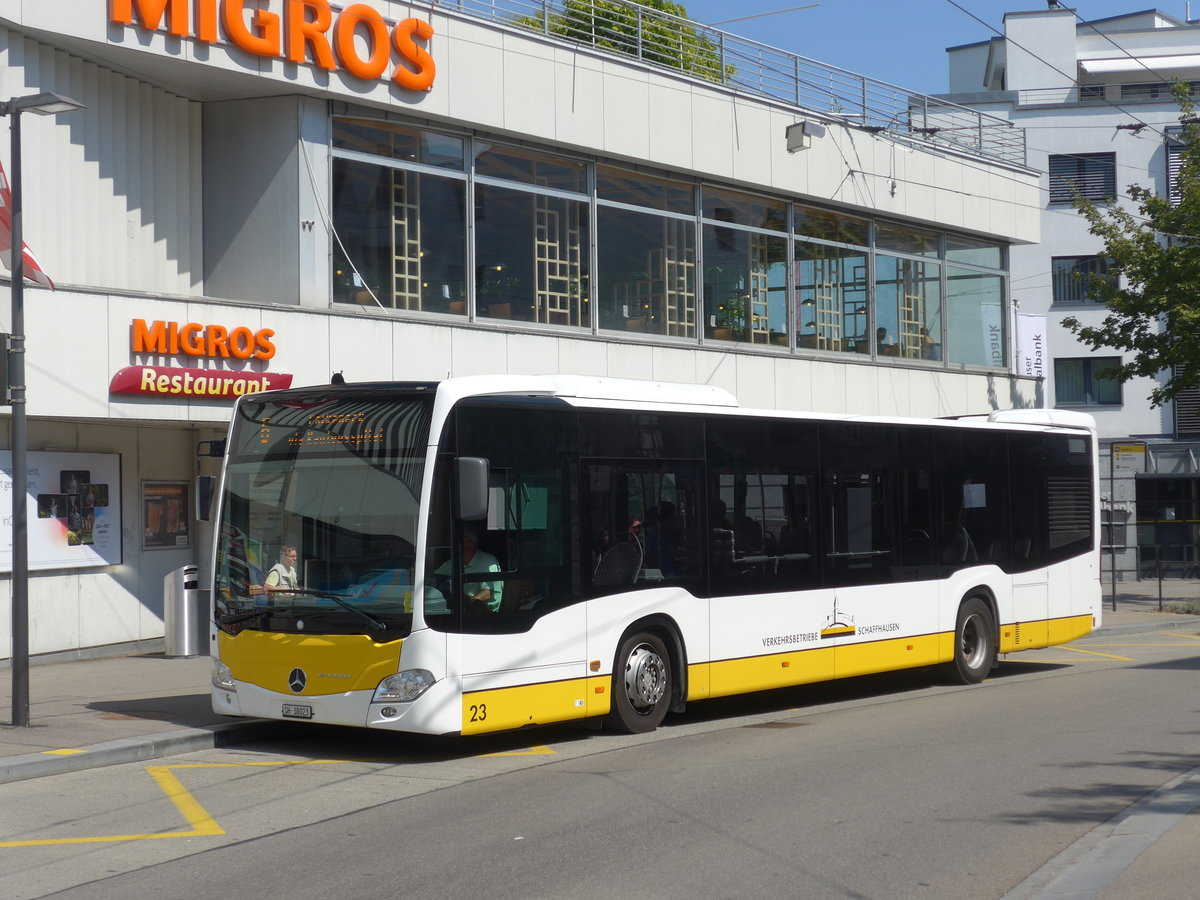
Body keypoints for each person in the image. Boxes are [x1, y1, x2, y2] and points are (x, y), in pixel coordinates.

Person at [434, 525, 503, 612]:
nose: (450, 543)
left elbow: (486, 594)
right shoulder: (451, 563)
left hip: (485, 616)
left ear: (466, 541)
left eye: (454, 540)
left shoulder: (488, 562)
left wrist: (466, 605)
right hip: (455, 613)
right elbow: (433, 582)